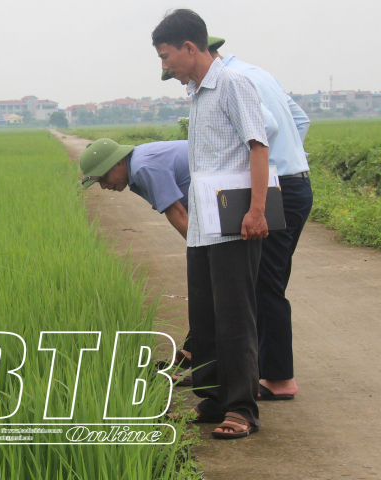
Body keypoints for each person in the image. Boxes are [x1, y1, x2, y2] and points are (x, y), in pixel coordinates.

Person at [163, 37, 313, 401]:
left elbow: (264, 131)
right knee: (262, 282)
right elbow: (299, 120)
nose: (171, 70)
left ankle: (277, 377)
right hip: (291, 182)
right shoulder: (255, 72)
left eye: (168, 58)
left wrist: (257, 175)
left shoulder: (231, 80)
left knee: (262, 286)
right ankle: (264, 371)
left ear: (196, 50)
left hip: (271, 187)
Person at [153, 9, 269, 439]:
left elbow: (258, 147)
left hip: (236, 222)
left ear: (189, 47)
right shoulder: (197, 93)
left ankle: (242, 408)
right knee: (205, 318)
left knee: (236, 318)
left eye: (166, 56)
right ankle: (214, 397)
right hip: (204, 225)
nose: (164, 66)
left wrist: (256, 211)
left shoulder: (233, 85)